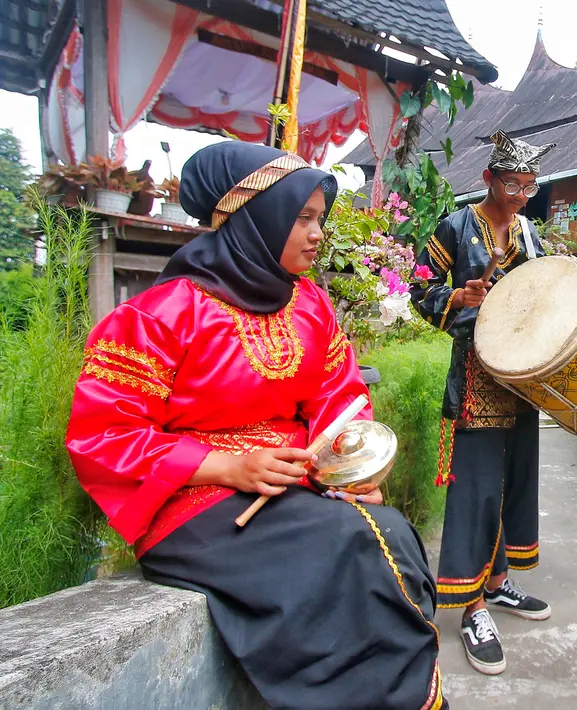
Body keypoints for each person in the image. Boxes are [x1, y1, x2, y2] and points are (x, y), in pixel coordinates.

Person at [65, 142, 445, 710]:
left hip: (294, 482)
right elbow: (103, 436)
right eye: (304, 218)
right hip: (193, 501)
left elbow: (338, 396)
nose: (318, 234)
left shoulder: (309, 304)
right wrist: (229, 466)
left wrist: (346, 469)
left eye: (321, 219)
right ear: (255, 218)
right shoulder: (159, 314)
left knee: (390, 532)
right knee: (350, 542)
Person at [410, 130, 556, 675]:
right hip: (475, 377)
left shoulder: (528, 233)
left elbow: (540, 293)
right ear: (488, 179)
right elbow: (416, 285)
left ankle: (496, 584)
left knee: (515, 478)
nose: (521, 194)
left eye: (530, 186)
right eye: (513, 184)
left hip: (522, 378)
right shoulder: (455, 226)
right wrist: (457, 296)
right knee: (475, 487)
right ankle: (470, 606)